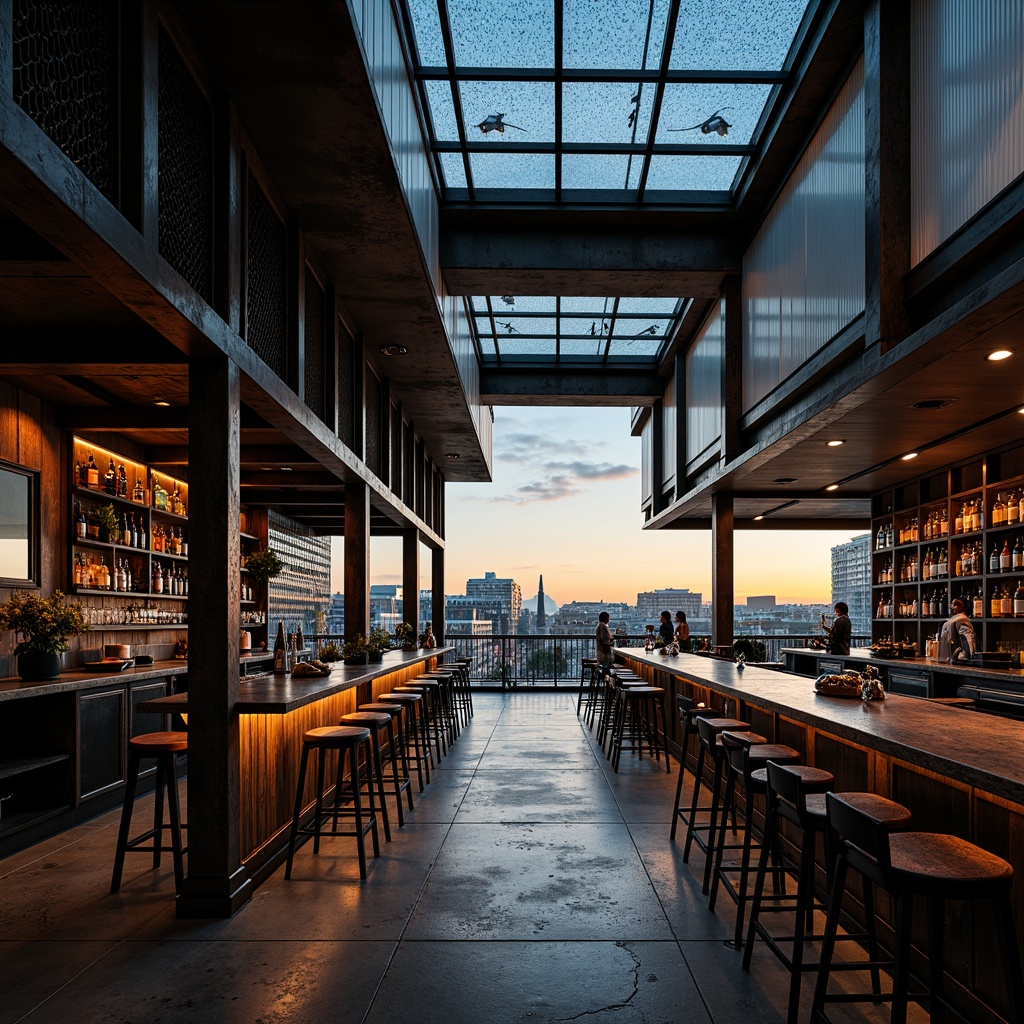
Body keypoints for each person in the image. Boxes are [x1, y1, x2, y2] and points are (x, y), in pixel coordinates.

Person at [938, 597, 977, 663]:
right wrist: (970, 657)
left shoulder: (956, 620)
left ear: (958, 607)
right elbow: (968, 640)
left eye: (953, 605)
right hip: (955, 660)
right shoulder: (959, 620)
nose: (952, 607)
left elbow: (967, 639)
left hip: (948, 659)